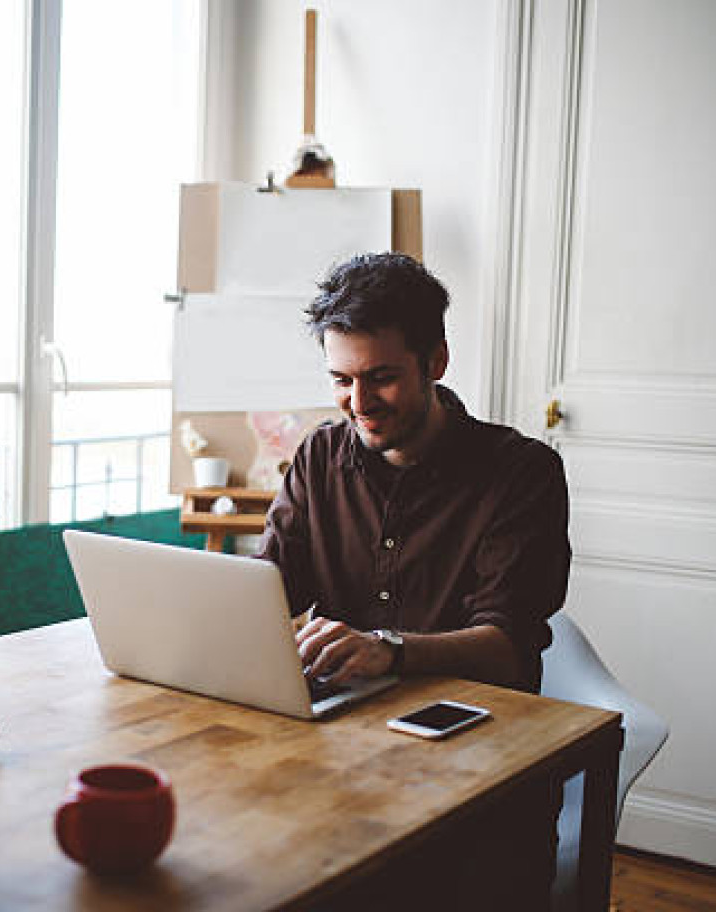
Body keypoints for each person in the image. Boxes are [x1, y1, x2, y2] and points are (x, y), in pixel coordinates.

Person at [256, 252, 571, 911]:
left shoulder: (522, 473)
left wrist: (388, 650)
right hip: (343, 755)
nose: (360, 404)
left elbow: (508, 646)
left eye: (382, 378)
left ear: (436, 362)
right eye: (341, 380)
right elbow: (267, 592)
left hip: (480, 773)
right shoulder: (320, 454)